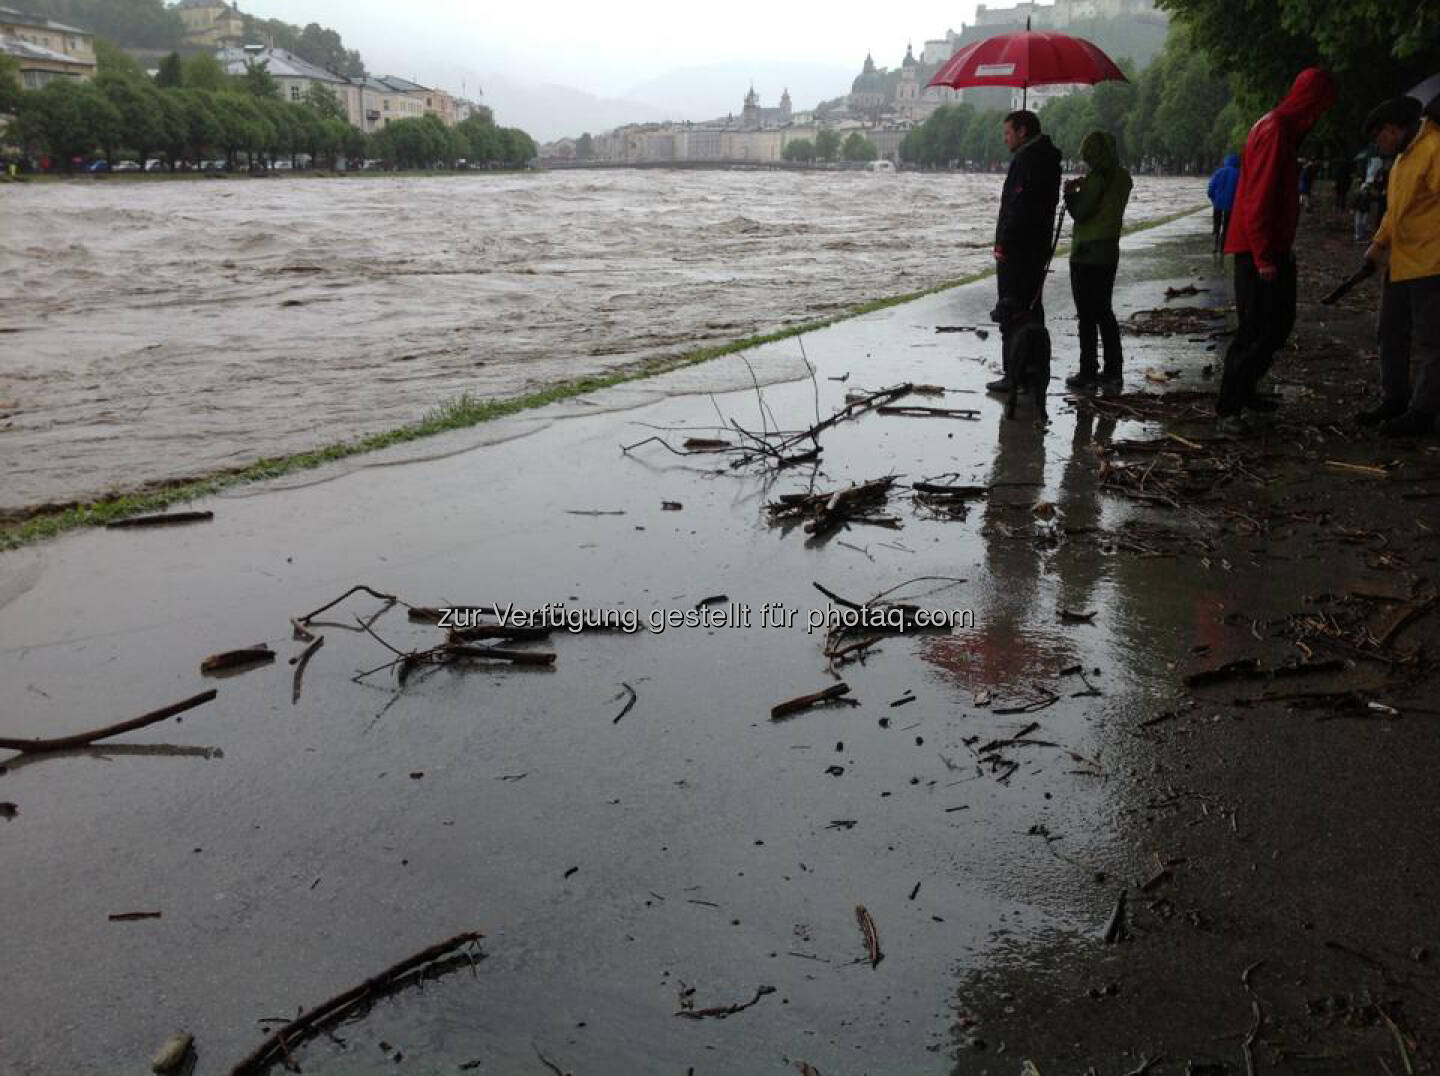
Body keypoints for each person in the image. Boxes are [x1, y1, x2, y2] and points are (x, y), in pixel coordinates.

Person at [1216, 67, 1337, 432]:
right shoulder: (1274, 131)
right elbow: (1259, 197)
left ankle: (1245, 392)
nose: (1320, 117)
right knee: (1258, 328)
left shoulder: (1281, 131)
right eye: (1320, 108)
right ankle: (1229, 407)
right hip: (1258, 250)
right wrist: (1265, 255)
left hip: (1267, 246)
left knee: (1276, 324)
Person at [1356, 95, 1440, 436]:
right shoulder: (1403, 158)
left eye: (1379, 137)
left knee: (1433, 342)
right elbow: (1395, 212)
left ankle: (1422, 412)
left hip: (1432, 264)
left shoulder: (1434, 149)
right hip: (1402, 263)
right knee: (1390, 333)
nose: (1379, 145)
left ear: (1393, 128)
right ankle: (1396, 398)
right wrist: (1376, 247)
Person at [985, 109, 1062, 395]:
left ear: (1022, 131)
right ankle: (1033, 369)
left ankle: (1012, 372)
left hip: (1018, 249)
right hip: (1037, 245)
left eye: (1007, 133)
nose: (1004, 139)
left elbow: (1017, 207)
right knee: (1031, 307)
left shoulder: (1026, 160)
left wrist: (1002, 242)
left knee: (1011, 309)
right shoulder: (1050, 158)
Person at [1062, 130, 1133, 389]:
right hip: (1109, 253)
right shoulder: (1123, 178)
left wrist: (1070, 194)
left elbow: (1082, 213)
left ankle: (1088, 372)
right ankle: (1114, 371)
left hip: (1086, 254)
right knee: (1104, 311)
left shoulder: (1097, 177)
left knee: (1087, 316)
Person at [1207, 152, 1241, 254]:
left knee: (1216, 225)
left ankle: (1215, 245)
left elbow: (1210, 189)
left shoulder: (1218, 172)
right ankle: (1223, 248)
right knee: (1226, 226)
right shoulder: (1239, 173)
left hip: (1217, 204)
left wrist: (1214, 200)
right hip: (1231, 206)